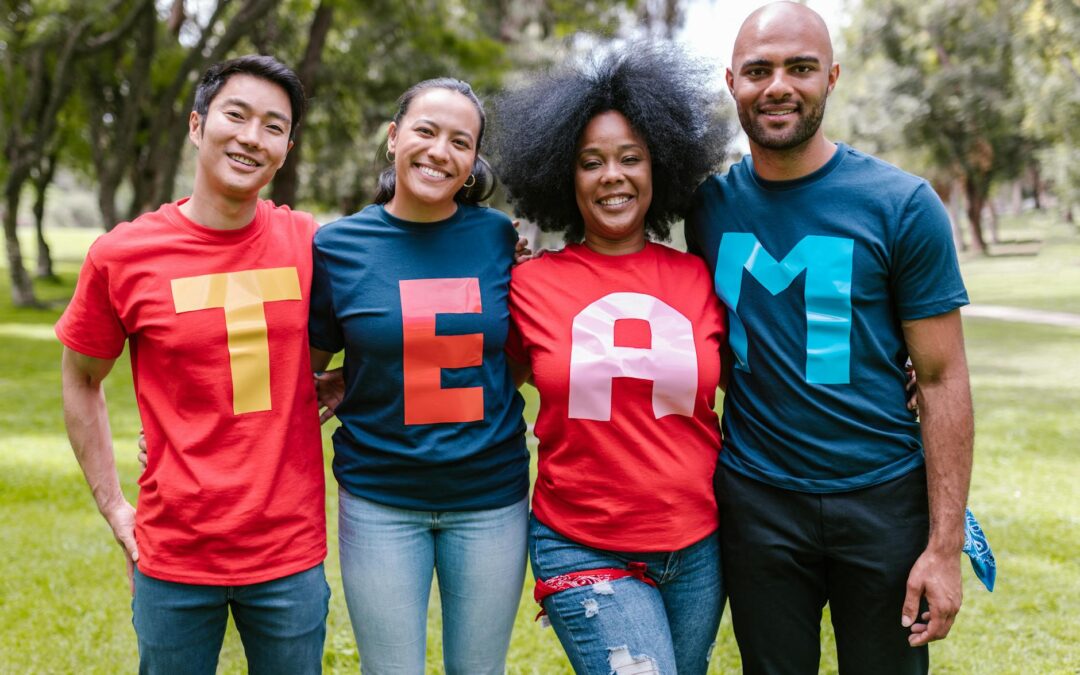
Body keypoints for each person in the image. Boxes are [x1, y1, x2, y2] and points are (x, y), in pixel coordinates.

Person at [685, 3, 974, 673]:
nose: (778, 85)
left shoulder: (902, 204)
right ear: (732, 83)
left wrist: (943, 547)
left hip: (883, 499)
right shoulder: (707, 208)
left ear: (832, 77)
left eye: (800, 67)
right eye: (758, 70)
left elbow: (941, 377)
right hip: (757, 501)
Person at [57, 56, 329, 673]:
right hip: (173, 551)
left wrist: (341, 382)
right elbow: (80, 378)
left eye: (273, 126)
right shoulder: (122, 256)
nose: (251, 137)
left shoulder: (311, 243)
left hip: (288, 550)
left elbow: (389, 319)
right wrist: (113, 506)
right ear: (197, 124)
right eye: (236, 115)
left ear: (286, 148)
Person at [490, 46, 731, 674]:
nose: (612, 176)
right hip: (580, 541)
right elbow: (469, 365)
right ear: (564, 177)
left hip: (699, 545)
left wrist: (896, 374)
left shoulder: (702, 280)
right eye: (591, 162)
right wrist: (359, 376)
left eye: (631, 158)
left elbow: (769, 373)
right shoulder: (529, 285)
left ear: (660, 168)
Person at [307, 78, 529, 675]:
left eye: (461, 141)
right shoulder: (338, 246)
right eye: (426, 131)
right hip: (381, 499)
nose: (440, 151)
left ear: (473, 162)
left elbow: (522, 352)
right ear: (393, 138)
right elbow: (303, 369)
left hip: (491, 500)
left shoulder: (498, 237)